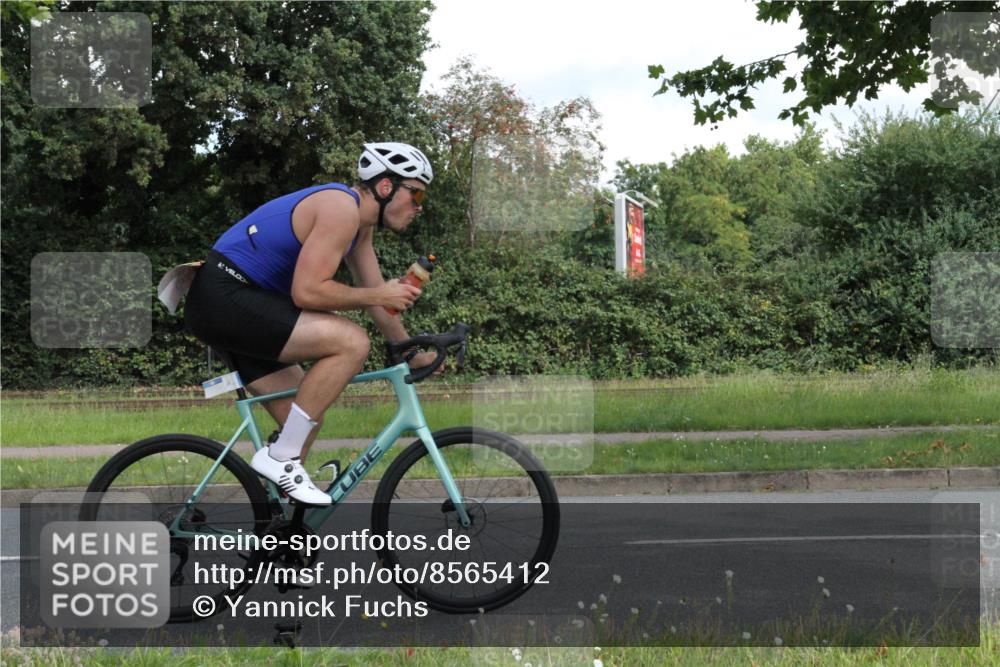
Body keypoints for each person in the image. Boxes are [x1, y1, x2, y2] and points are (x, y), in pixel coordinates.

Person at [183, 142, 438, 506]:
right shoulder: (340, 209)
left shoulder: (359, 228)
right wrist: (380, 295)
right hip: (224, 296)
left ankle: (280, 535)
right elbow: (308, 292)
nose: (418, 205)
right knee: (351, 341)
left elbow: (375, 294)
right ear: (386, 187)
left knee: (304, 419)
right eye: (415, 193)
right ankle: (279, 457)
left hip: (240, 305)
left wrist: (410, 351)